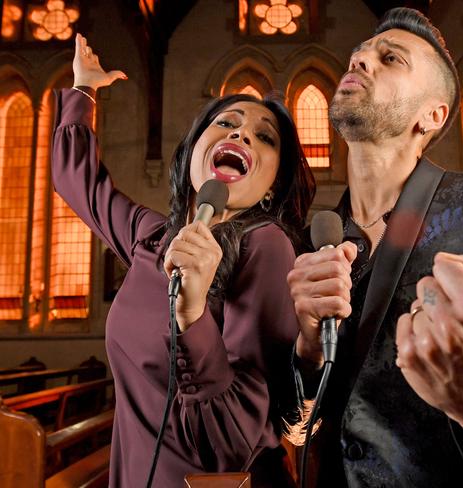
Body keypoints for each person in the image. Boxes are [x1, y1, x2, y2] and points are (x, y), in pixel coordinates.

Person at [286, 8, 463, 487]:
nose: (359, 62)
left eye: (390, 58)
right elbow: (297, 428)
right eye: (358, 56)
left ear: (432, 115)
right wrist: (305, 351)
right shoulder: (315, 240)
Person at [52, 34, 315, 487]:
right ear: (193, 151)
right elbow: (79, 184)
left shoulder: (267, 248)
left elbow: (233, 443)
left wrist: (193, 318)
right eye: (225, 123)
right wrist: (83, 90)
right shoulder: (152, 236)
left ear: (272, 185)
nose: (241, 133)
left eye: (263, 136)